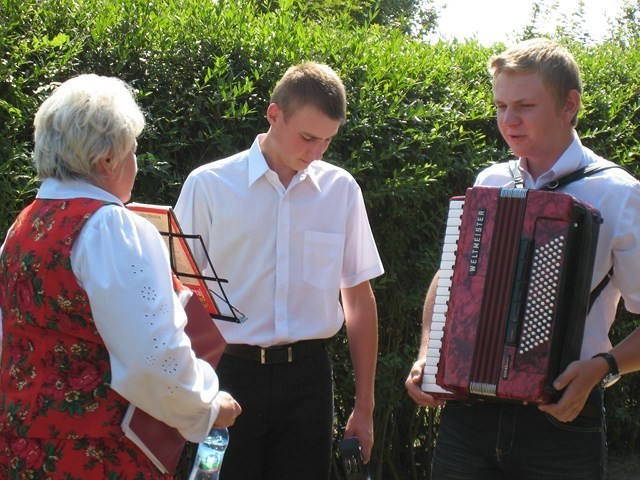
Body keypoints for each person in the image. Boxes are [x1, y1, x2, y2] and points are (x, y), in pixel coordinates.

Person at [405, 38, 640, 479]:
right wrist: (427, 354)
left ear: (569, 104)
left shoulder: (619, 193)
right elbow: (451, 279)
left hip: (562, 418)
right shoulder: (491, 180)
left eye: (525, 106)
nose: (508, 121)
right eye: (500, 106)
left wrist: (601, 369)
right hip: (467, 414)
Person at [0, 74, 241, 479]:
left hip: (20, 450)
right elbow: (153, 358)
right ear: (106, 160)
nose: (135, 163)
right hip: (98, 457)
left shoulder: (24, 225)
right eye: (132, 151)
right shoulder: (111, 227)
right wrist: (208, 406)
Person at [174, 61, 384, 479]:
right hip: (227, 378)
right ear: (274, 114)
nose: (317, 152)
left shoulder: (341, 190)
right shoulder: (208, 185)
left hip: (309, 381)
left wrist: (365, 406)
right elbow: (177, 298)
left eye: (327, 140)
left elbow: (358, 301)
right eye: (308, 137)